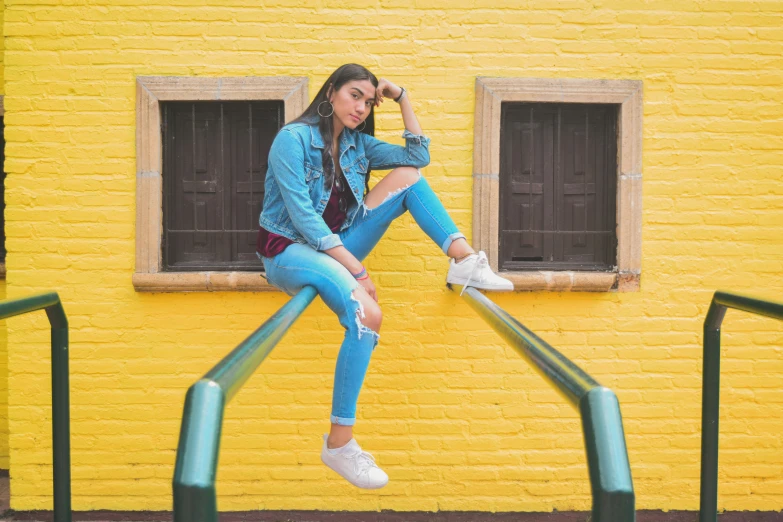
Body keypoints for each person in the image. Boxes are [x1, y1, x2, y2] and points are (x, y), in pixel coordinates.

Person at [257, 63, 513, 489]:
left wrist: (402, 97)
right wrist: (356, 270)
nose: (360, 107)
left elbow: (418, 157)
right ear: (332, 93)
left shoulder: (358, 146)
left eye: (368, 100)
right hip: (289, 250)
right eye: (354, 95)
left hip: (338, 247)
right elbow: (303, 218)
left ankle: (464, 259)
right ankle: (339, 444)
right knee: (367, 315)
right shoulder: (293, 140)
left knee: (409, 179)